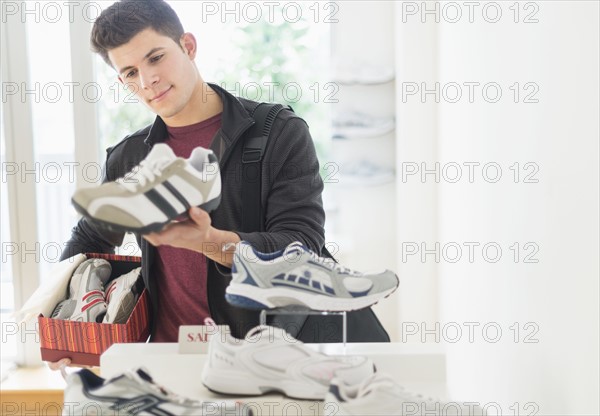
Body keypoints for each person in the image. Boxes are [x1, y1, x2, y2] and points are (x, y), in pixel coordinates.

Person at [59, 0, 389, 348]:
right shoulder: (130, 157)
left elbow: (302, 246)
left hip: (267, 355)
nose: (147, 80)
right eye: (129, 73)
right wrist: (65, 331)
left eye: (155, 58)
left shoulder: (279, 133)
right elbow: (88, 242)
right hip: (170, 359)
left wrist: (210, 242)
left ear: (188, 46)